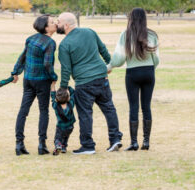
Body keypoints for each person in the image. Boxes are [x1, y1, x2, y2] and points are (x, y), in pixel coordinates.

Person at [57, 12, 123, 155]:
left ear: (66, 25)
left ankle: (87, 145)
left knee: (85, 114)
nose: (57, 24)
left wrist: (63, 87)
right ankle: (115, 138)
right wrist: (109, 65)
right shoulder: (90, 32)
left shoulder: (64, 44)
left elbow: (66, 69)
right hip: (101, 77)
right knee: (109, 108)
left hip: (84, 82)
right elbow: (103, 49)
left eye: (59, 22)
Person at [107, 7, 159, 151]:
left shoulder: (126, 35)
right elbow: (157, 59)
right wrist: (150, 70)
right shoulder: (152, 35)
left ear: (130, 18)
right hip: (149, 72)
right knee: (146, 107)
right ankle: (146, 141)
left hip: (132, 73)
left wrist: (109, 66)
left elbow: (119, 58)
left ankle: (134, 142)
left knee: (134, 107)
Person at [12, 15, 58, 156]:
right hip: (42, 80)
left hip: (28, 79)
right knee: (43, 111)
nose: (55, 23)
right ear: (46, 27)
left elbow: (22, 57)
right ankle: (41, 145)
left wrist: (15, 71)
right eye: (51, 22)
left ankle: (19, 144)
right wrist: (54, 77)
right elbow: (47, 64)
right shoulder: (49, 42)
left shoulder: (30, 39)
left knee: (23, 111)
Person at [50, 82, 76, 155]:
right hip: (70, 127)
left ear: (57, 99)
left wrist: (53, 86)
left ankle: (58, 145)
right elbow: (74, 93)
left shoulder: (55, 106)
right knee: (66, 137)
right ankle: (64, 147)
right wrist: (67, 87)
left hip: (60, 127)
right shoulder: (71, 103)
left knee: (57, 139)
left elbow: (52, 97)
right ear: (68, 98)